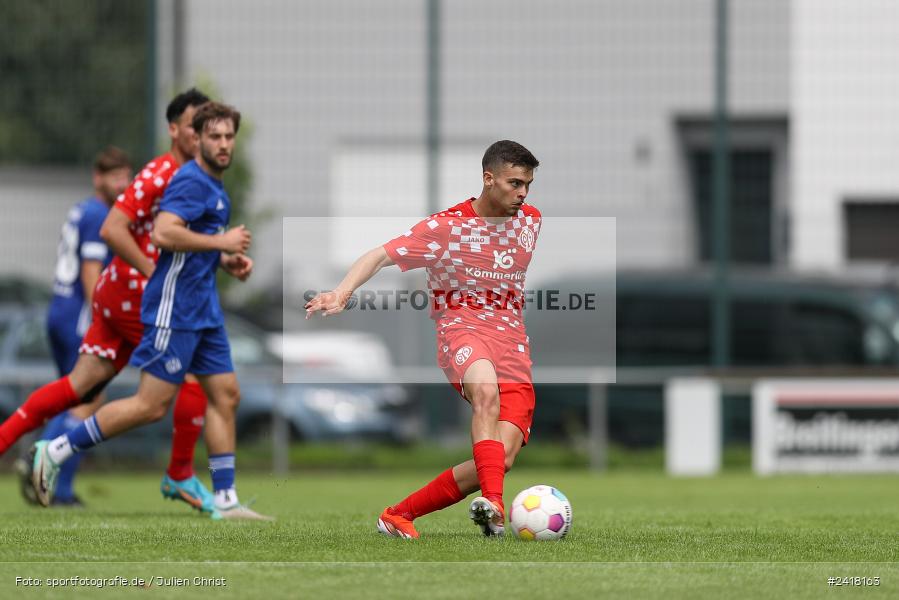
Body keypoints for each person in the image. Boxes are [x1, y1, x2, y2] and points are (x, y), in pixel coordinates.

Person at [30, 101, 269, 520]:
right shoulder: (191, 180)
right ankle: (56, 449)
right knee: (150, 405)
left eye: (229, 136)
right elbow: (163, 233)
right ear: (197, 139)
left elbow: (190, 245)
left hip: (204, 310)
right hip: (175, 310)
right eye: (214, 136)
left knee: (226, 395)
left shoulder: (214, 185)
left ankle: (226, 500)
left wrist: (225, 260)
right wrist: (221, 242)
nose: (223, 144)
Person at [305, 140, 541, 538]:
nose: (523, 194)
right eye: (515, 183)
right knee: (485, 393)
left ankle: (397, 515)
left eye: (528, 185)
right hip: (462, 332)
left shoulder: (530, 221)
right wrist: (341, 293)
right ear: (488, 179)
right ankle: (495, 508)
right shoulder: (444, 228)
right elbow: (379, 256)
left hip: (513, 348)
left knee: (497, 461)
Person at [1, 90, 219, 514]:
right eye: (196, 126)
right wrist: (153, 272)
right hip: (131, 297)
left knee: (78, 389)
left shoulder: (186, 175)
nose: (204, 135)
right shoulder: (162, 175)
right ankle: (177, 475)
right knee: (190, 378)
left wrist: (223, 254)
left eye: (209, 127)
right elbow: (113, 231)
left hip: (113, 294)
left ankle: (19, 444)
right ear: (174, 130)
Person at [16, 147, 132, 506]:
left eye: (126, 177)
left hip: (60, 311)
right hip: (79, 318)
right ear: (98, 178)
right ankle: (47, 469)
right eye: (114, 177)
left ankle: (47, 476)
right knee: (88, 400)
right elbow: (90, 271)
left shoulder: (81, 209)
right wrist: (102, 317)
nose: (122, 184)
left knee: (74, 397)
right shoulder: (99, 214)